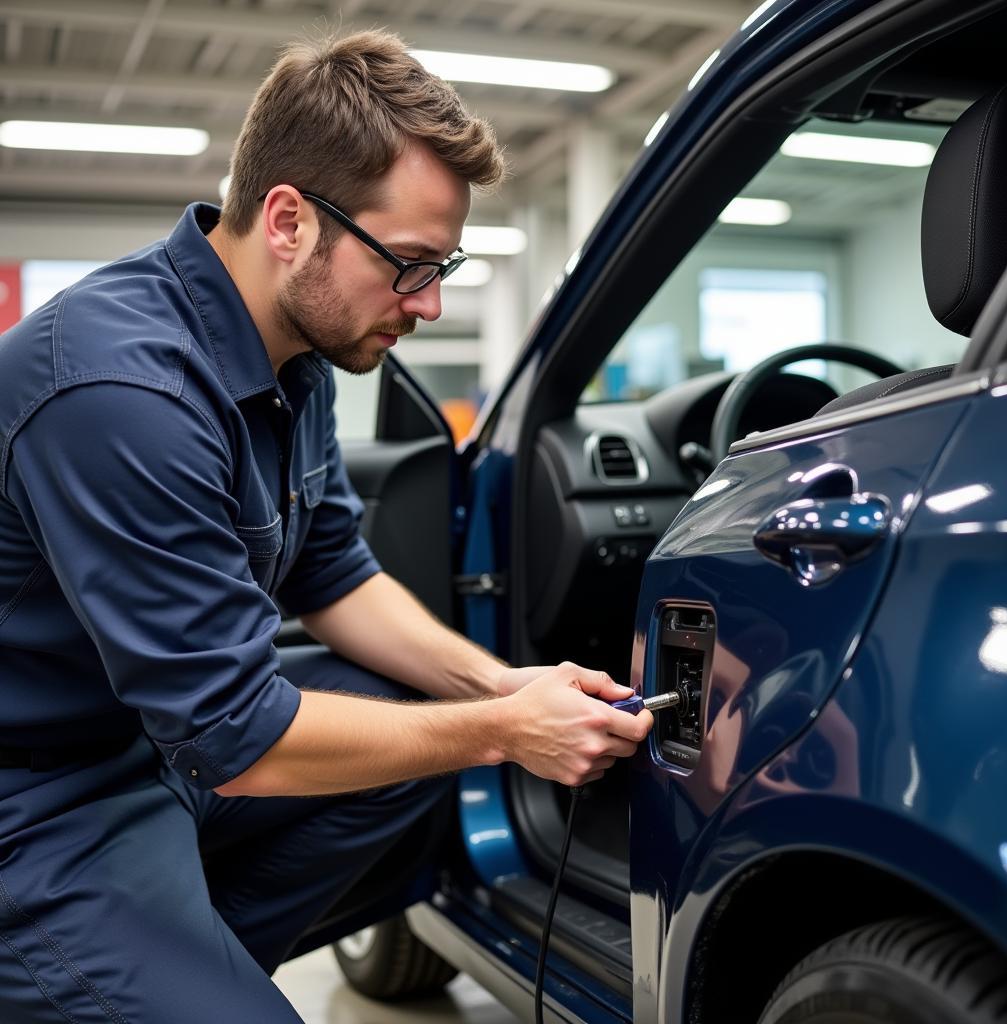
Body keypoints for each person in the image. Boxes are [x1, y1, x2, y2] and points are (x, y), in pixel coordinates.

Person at [0, 29, 653, 1021]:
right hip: (34, 801)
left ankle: (161, 964)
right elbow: (239, 736)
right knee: (438, 748)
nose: (429, 304)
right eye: (409, 264)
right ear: (290, 220)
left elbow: (332, 572)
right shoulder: (118, 390)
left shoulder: (297, 354)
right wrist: (499, 732)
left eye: (445, 266)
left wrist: (500, 683)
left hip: (147, 745)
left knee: (408, 749)